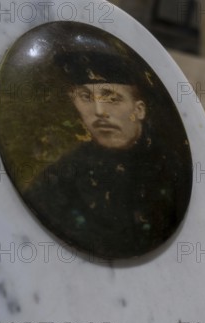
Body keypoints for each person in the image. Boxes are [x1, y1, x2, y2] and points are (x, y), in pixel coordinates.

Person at [24, 52, 190, 259]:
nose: (99, 111)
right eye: (85, 97)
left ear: (139, 110)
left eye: (112, 98)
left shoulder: (175, 168)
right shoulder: (61, 177)